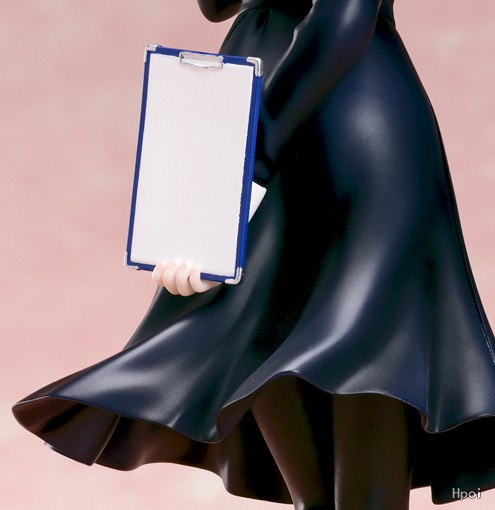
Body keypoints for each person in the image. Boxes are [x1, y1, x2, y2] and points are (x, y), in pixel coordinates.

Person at [13, 1, 495, 509]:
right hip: (252, 116)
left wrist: (241, 173)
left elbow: (342, 15)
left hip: (347, 126)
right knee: (257, 339)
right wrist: (219, 189)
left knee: (367, 349)